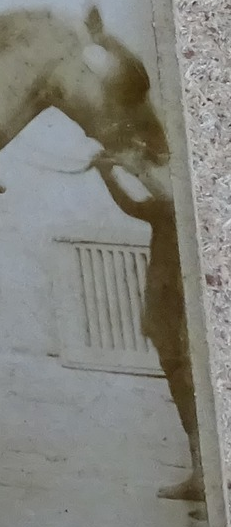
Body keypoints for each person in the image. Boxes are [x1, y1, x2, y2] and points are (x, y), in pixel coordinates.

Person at [91, 153, 203, 506]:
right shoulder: (165, 206)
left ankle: (212, 488)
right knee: (183, 388)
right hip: (166, 307)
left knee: (198, 388)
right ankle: (202, 479)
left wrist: (131, 168)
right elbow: (137, 207)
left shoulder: (189, 201)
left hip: (189, 306)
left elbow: (162, 200)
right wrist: (109, 175)